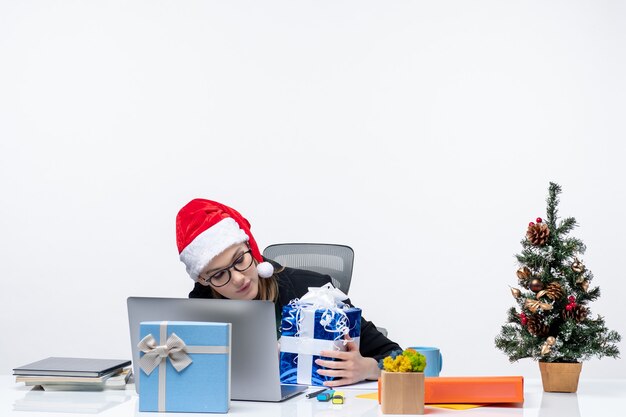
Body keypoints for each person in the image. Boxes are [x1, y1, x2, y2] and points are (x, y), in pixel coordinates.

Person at [175, 198, 401, 387]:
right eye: (218, 275)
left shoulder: (313, 289)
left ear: (251, 249)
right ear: (205, 280)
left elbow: (395, 354)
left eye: (240, 260)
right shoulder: (203, 306)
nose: (238, 278)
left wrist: (369, 368)